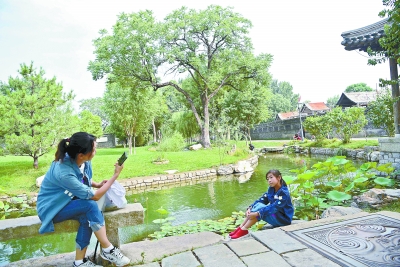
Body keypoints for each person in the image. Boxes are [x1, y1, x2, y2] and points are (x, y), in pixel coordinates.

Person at [36, 132, 130, 267]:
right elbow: (95, 196)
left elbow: (81, 178)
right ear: (81, 154)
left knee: (87, 216)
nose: (96, 151)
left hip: (68, 201)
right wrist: (115, 175)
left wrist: (96, 184)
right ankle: (108, 249)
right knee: (90, 206)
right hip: (52, 208)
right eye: (94, 149)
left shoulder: (82, 160)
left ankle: (79, 263)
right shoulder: (64, 171)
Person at [229, 169, 294, 239]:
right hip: (275, 215)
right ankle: (241, 228)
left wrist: (257, 213)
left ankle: (243, 229)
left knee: (260, 212)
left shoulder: (284, 193)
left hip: (283, 220)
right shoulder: (271, 189)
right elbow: (262, 199)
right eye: (267, 179)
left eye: (271, 177)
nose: (269, 180)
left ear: (279, 177)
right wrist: (250, 208)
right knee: (259, 205)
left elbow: (274, 207)